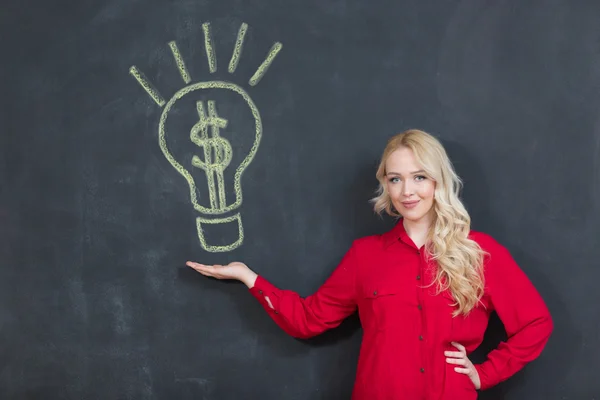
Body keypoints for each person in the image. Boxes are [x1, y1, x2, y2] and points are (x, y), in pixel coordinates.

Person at [186, 129, 553, 399]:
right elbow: (308, 320)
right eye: (396, 179)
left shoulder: (479, 252)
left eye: (419, 177)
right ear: (387, 187)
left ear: (438, 181)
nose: (407, 191)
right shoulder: (366, 256)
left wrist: (484, 374)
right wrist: (249, 278)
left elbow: (536, 324)